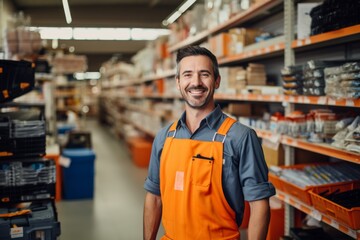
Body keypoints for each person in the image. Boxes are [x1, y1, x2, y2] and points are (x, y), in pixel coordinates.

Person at [143, 45, 275, 240]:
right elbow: (154, 198)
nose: (196, 82)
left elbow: (259, 205)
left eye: (204, 74)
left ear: (217, 80)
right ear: (178, 82)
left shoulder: (240, 137)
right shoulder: (164, 138)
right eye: (187, 75)